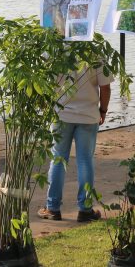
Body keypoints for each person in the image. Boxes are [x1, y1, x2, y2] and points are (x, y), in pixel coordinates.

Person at [38, 61, 112, 222]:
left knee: (58, 159)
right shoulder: (95, 51)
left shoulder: (54, 50)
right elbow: (105, 87)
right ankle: (85, 209)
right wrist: (103, 110)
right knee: (85, 160)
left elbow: (42, 83)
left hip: (61, 114)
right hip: (88, 115)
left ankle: (52, 208)